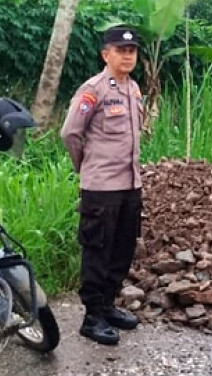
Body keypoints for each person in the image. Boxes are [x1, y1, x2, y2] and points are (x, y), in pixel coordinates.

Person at [60, 24, 145, 346]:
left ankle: (108, 305)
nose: (127, 55)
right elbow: (70, 133)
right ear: (105, 54)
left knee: (123, 248)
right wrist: (86, 167)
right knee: (97, 249)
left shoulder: (133, 89)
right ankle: (91, 316)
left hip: (129, 182)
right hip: (101, 187)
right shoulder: (93, 89)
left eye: (132, 51)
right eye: (121, 50)